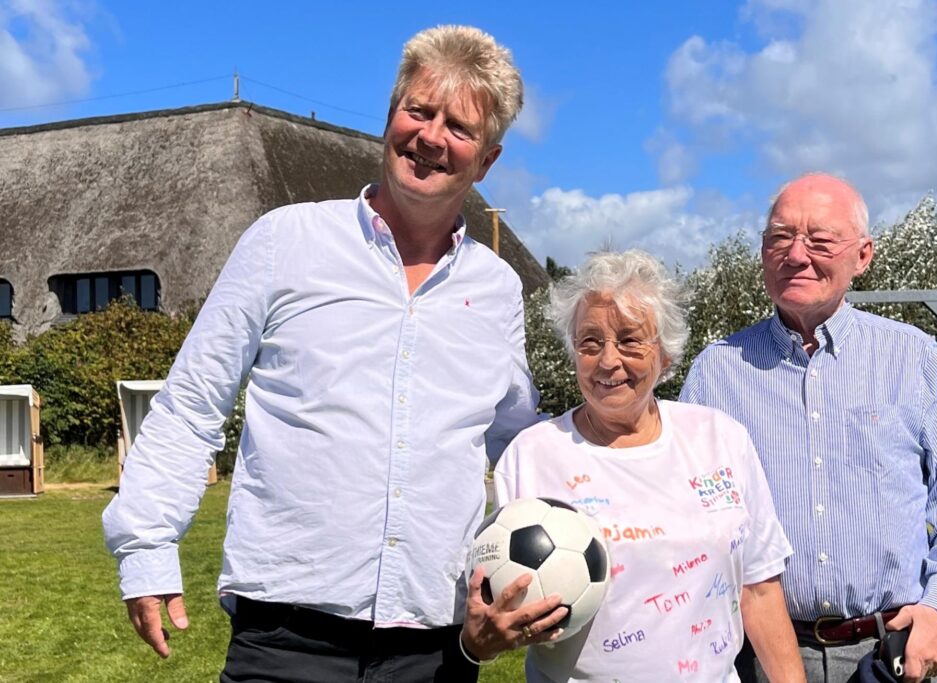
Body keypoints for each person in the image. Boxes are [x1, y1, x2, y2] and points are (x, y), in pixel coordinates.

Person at [103, 25, 559, 682]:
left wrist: (616, 453)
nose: (430, 137)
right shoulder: (281, 243)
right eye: (419, 111)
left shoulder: (498, 290)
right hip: (286, 636)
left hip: (435, 647)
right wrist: (146, 544)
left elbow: (515, 443)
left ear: (486, 160)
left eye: (458, 127)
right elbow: (191, 401)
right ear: (389, 116)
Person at [680, 173, 937, 683]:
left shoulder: (913, 358)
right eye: (780, 237)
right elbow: (682, 517)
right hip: (759, 654)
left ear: (863, 256)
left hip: (894, 651)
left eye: (820, 240)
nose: (797, 254)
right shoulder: (717, 372)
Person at [488, 250, 806, 681]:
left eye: (630, 340)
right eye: (590, 342)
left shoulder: (720, 438)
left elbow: (761, 589)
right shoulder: (532, 455)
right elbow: (493, 608)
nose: (607, 361)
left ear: (667, 356)